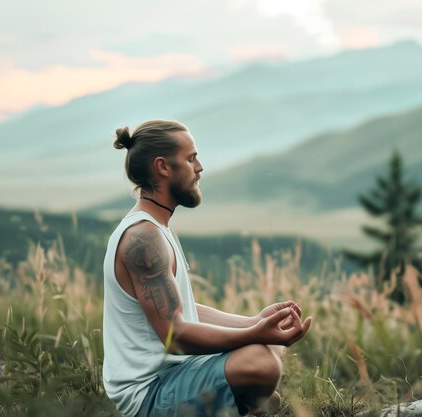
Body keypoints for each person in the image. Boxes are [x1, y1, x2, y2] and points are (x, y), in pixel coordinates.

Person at [102, 120, 312, 417]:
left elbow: (182, 309)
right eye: (190, 159)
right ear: (163, 167)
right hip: (150, 395)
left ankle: (246, 406)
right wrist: (253, 333)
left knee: (269, 347)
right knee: (259, 362)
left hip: (174, 376)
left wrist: (255, 323)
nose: (199, 167)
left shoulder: (156, 228)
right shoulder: (143, 238)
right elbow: (176, 336)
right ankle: (248, 408)